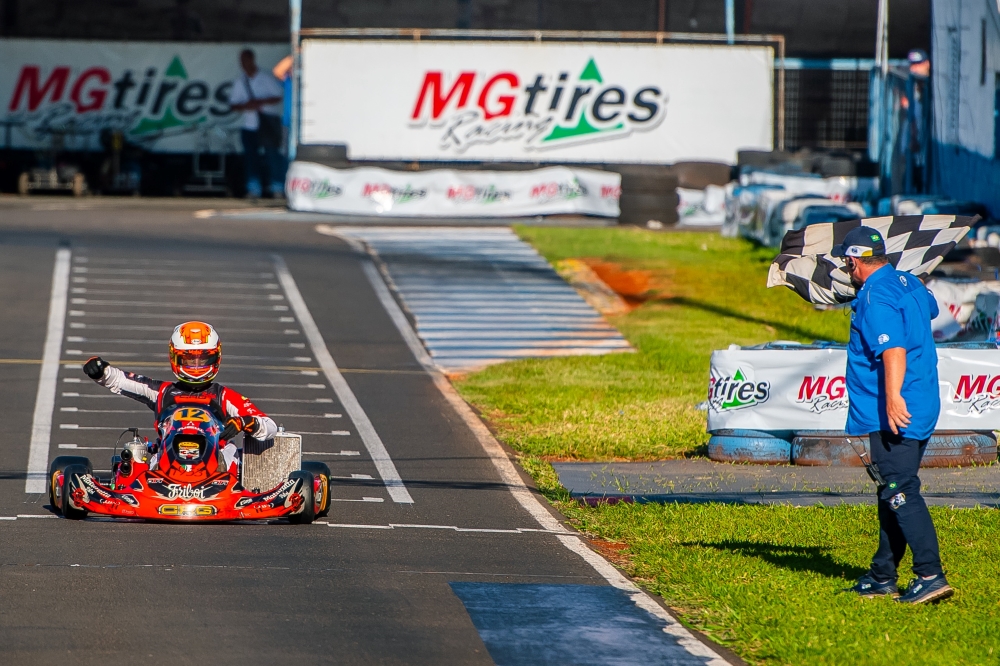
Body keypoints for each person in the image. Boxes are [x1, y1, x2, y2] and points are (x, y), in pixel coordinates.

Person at [837, 227, 953, 604]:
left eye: (846, 262)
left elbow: (893, 351)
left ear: (855, 261)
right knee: (892, 486)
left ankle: (930, 574)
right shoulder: (908, 282)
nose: (846, 269)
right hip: (923, 399)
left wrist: (891, 400)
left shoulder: (874, 296)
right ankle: (883, 574)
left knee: (900, 489)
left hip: (895, 408)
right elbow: (932, 309)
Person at [82, 321, 277, 473]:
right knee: (141, 457)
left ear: (215, 359)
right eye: (189, 360)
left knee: (230, 454)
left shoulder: (224, 396)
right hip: (167, 458)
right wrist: (101, 372)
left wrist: (243, 422)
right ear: (175, 358)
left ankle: (225, 485)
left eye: (203, 360)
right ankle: (148, 486)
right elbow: (121, 380)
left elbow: (269, 426)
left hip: (216, 460)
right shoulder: (162, 391)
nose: (196, 366)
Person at [228, 48, 285, 199]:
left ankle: (277, 187)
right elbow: (233, 104)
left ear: (252, 60)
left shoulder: (265, 77)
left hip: (267, 124)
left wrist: (260, 102)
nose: (243, 64)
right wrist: (246, 105)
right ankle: (254, 188)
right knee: (251, 158)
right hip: (249, 125)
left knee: (272, 156)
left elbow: (278, 96)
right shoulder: (240, 81)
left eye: (245, 60)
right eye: (241, 61)